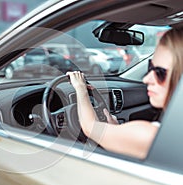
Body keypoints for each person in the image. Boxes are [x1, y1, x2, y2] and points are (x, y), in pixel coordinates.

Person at [67, 28, 183, 159]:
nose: (146, 79)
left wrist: (80, 87)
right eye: (150, 67)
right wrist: (118, 130)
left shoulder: (151, 136)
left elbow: (90, 127)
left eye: (160, 73)